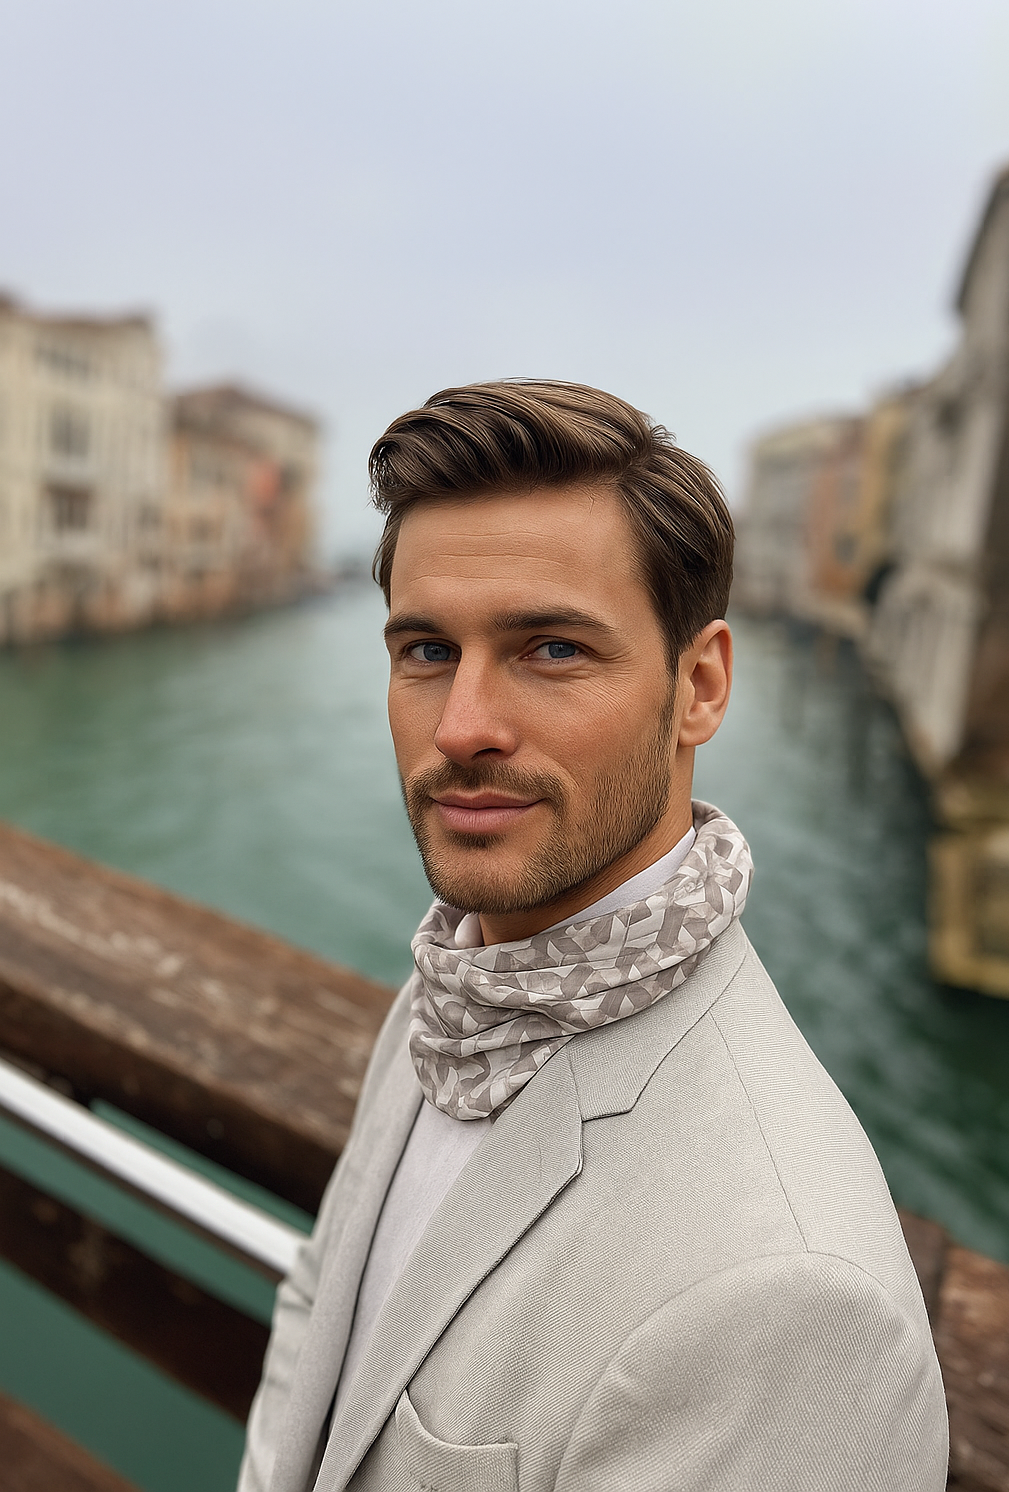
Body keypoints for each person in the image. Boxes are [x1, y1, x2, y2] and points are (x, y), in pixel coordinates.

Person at [238, 380, 947, 1492]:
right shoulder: (458, 983)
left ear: (698, 685)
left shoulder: (788, 1294)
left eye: (553, 649)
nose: (463, 725)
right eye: (426, 650)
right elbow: (317, 1315)